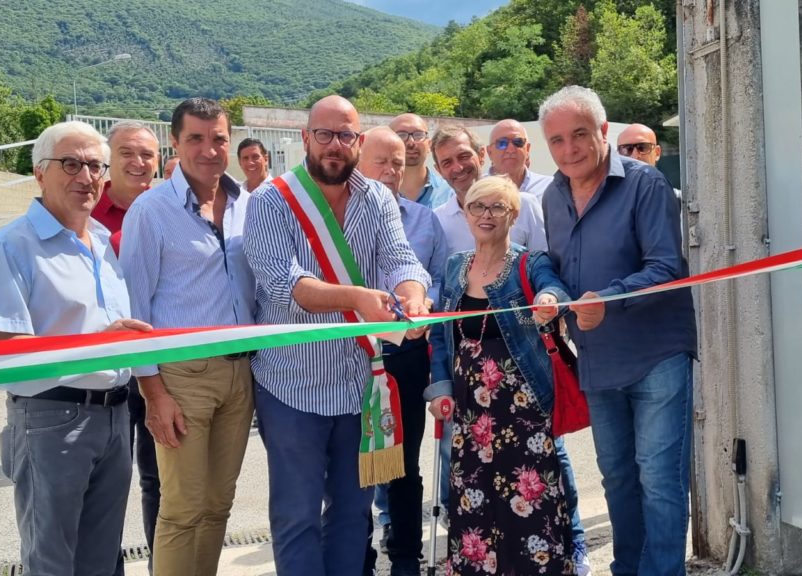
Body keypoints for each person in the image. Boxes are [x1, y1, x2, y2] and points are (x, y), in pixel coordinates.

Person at [244, 95, 431, 576]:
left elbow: (401, 260)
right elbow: (283, 285)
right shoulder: (271, 200)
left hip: (358, 385)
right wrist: (359, 298)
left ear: (358, 141)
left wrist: (412, 296)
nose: (334, 145)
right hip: (291, 386)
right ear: (305, 138)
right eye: (324, 134)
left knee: (353, 514)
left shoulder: (377, 198)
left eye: (345, 135)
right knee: (297, 516)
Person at [0, 120, 152, 575]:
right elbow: (2, 347)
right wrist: (99, 344)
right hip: (52, 418)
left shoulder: (102, 244)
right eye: (70, 164)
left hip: (115, 415)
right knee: (52, 560)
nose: (86, 177)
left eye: (95, 166)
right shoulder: (11, 246)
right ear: (39, 172)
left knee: (101, 559)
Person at [539, 85, 697, 576]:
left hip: (657, 356)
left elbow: (666, 267)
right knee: (618, 479)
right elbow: (558, 267)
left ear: (603, 130)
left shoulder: (645, 184)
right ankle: (628, 568)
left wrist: (608, 299)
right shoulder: (551, 196)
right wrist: (552, 296)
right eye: (557, 140)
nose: (569, 149)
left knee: (660, 480)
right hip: (598, 360)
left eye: (579, 134)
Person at [120, 98, 258, 576]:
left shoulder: (248, 206)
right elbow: (134, 311)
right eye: (195, 138)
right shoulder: (151, 211)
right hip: (181, 377)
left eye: (218, 138)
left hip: (240, 373)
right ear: (174, 143)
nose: (209, 149)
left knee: (218, 505)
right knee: (182, 509)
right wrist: (154, 393)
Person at [425, 175, 577, 576]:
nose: (486, 214)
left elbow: (554, 289)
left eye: (497, 207)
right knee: (475, 505)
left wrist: (548, 300)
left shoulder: (530, 263)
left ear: (514, 215)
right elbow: (441, 336)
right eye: (478, 206)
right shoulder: (455, 266)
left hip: (523, 412)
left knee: (531, 505)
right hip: (470, 414)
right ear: (466, 213)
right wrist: (440, 389)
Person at [358, 126, 449, 576]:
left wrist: (425, 305)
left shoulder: (424, 220)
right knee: (357, 468)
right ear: (359, 161)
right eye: (381, 162)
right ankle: (359, 557)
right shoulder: (337, 221)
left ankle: (406, 558)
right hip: (353, 357)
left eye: (397, 163)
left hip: (407, 357)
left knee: (403, 466)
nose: (392, 171)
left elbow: (440, 279)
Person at [92, 120, 162, 573]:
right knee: (106, 487)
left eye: (147, 155)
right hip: (105, 375)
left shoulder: (167, 209)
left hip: (158, 370)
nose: (138, 163)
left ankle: (163, 564)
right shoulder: (83, 213)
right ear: (108, 161)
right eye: (127, 154)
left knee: (159, 481)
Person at [431, 124, 547, 254]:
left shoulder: (523, 205)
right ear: (439, 170)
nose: (458, 168)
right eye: (447, 163)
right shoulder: (438, 221)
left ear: (481, 155)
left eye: (463, 157)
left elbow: (544, 260)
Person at [389, 112, 454, 208]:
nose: (411, 142)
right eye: (401, 135)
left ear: (429, 145)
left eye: (418, 135)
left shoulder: (449, 193)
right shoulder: (377, 193)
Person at [485, 119, 554, 200]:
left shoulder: (549, 187)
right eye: (502, 143)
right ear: (489, 152)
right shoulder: (476, 189)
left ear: (527, 149)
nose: (510, 150)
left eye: (518, 142)